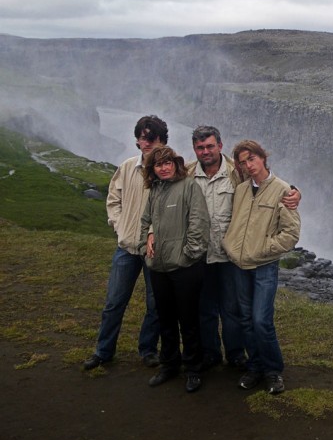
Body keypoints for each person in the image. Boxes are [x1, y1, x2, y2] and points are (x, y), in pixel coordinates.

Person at [187, 126, 301, 371]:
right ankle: (213, 355)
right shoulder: (189, 174)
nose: (205, 151)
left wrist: (294, 192)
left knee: (235, 311)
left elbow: (269, 186)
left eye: (210, 146)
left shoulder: (233, 173)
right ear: (195, 149)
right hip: (204, 255)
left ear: (219, 145)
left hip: (234, 258)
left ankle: (238, 356)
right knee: (208, 309)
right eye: (200, 147)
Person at [83, 116, 166, 370]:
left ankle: (148, 350)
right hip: (127, 247)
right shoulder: (128, 167)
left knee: (156, 304)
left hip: (156, 250)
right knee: (114, 302)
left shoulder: (170, 170)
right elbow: (113, 199)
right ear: (138, 141)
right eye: (143, 137)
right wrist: (119, 227)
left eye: (152, 137)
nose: (147, 142)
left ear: (162, 140)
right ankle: (103, 351)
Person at [222, 140, 300, 393]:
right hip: (240, 264)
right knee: (246, 319)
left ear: (263, 158)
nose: (248, 165)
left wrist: (265, 248)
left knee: (261, 320)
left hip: (264, 265)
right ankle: (255, 367)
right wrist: (231, 245)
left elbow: (290, 234)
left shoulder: (282, 190)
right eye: (243, 162)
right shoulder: (242, 189)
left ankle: (273, 371)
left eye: (252, 159)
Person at [139, 146, 210, 393]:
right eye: (159, 165)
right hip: (158, 267)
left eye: (168, 163)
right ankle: (169, 364)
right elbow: (145, 221)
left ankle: (193, 368)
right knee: (165, 319)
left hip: (185, 268)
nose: (164, 168)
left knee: (188, 320)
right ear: (153, 170)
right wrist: (143, 246)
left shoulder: (189, 186)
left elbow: (199, 222)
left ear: (176, 164)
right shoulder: (154, 190)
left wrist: (188, 255)